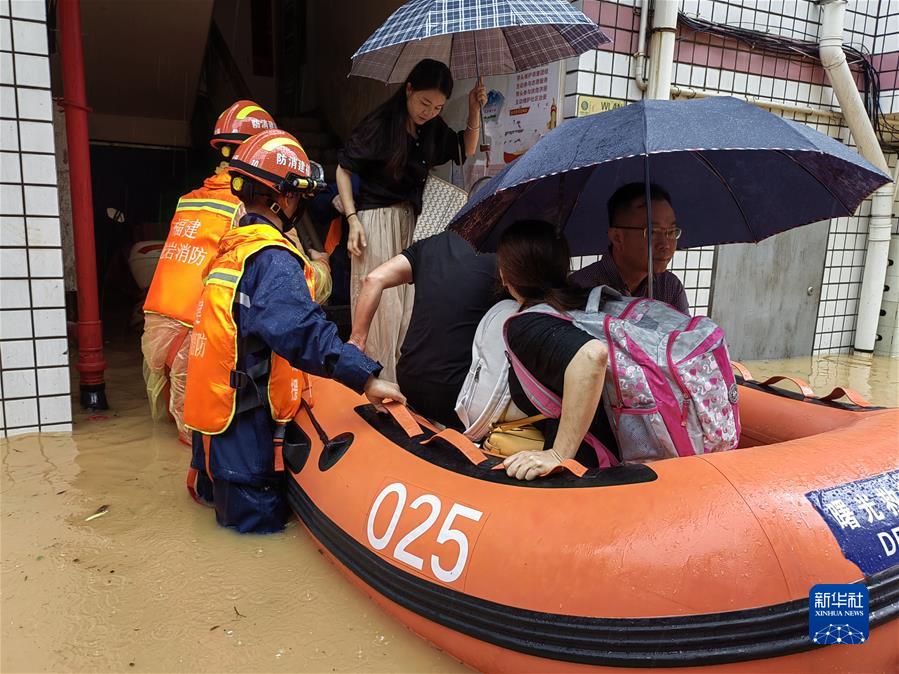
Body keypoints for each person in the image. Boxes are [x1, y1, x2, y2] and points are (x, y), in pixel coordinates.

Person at [183, 130, 404, 533]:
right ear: (283, 197)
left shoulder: (231, 249)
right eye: (300, 197)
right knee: (256, 541)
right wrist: (366, 376)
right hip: (246, 437)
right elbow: (301, 330)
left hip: (212, 430)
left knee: (224, 532)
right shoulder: (271, 258)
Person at [141, 101, 329, 445]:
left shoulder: (189, 200)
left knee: (184, 436)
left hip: (158, 331)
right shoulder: (251, 207)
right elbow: (295, 287)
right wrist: (323, 266)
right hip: (200, 338)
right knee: (213, 433)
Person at [336, 58, 487, 381]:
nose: (428, 112)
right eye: (424, 102)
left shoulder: (432, 128)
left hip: (412, 223)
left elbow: (465, 148)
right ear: (408, 90)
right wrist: (353, 220)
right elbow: (343, 169)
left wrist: (474, 108)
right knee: (382, 311)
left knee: (407, 308)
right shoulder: (381, 123)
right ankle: (373, 384)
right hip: (374, 221)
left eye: (437, 106)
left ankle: (399, 386)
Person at [495, 220, 618, 481]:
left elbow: (591, 355)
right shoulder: (586, 303)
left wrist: (559, 454)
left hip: (588, 472)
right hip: (628, 455)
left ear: (506, 274)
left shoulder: (528, 324)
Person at [349, 231, 497, 429]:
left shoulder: (433, 243)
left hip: (409, 378)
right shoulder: (504, 255)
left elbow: (373, 279)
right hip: (459, 391)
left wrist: (355, 345)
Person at [569, 183, 689, 314]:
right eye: (652, 232)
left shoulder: (669, 286)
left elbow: (686, 334)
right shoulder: (580, 288)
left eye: (671, 232)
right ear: (617, 237)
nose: (665, 244)